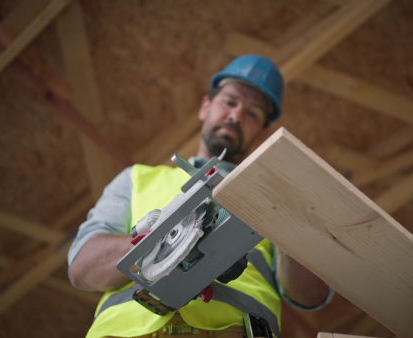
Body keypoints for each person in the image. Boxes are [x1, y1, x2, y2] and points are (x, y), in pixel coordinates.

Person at [68, 54, 333, 338]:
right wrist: (163, 240)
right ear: (205, 106)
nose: (235, 116)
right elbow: (83, 269)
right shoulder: (137, 178)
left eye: (253, 113)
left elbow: (310, 296)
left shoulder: (273, 195)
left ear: (262, 132)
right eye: (229, 102)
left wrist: (287, 217)